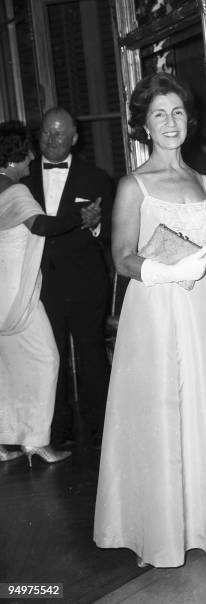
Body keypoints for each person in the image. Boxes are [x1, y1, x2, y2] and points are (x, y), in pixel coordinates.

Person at [94, 72, 206, 568]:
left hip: (202, 307)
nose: (171, 123)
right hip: (155, 310)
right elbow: (122, 257)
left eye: (178, 113)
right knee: (160, 413)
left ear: (189, 121)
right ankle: (157, 531)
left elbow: (203, 251)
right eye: (159, 114)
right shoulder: (133, 185)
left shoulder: (204, 182)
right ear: (143, 126)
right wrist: (172, 269)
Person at [0, 121, 98, 465]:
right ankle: (36, 442)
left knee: (8, 367)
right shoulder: (15, 191)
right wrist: (79, 216)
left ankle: (5, 439)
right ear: (16, 156)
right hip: (19, 294)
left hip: (4, 291)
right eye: (28, 152)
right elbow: (43, 225)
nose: (32, 158)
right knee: (47, 359)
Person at [22, 108, 113, 447]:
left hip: (86, 283)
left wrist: (96, 225)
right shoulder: (23, 179)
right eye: (46, 132)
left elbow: (113, 237)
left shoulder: (97, 178)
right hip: (41, 284)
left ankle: (101, 429)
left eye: (60, 133)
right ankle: (54, 430)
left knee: (91, 356)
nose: (51, 139)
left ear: (75, 138)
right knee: (49, 357)